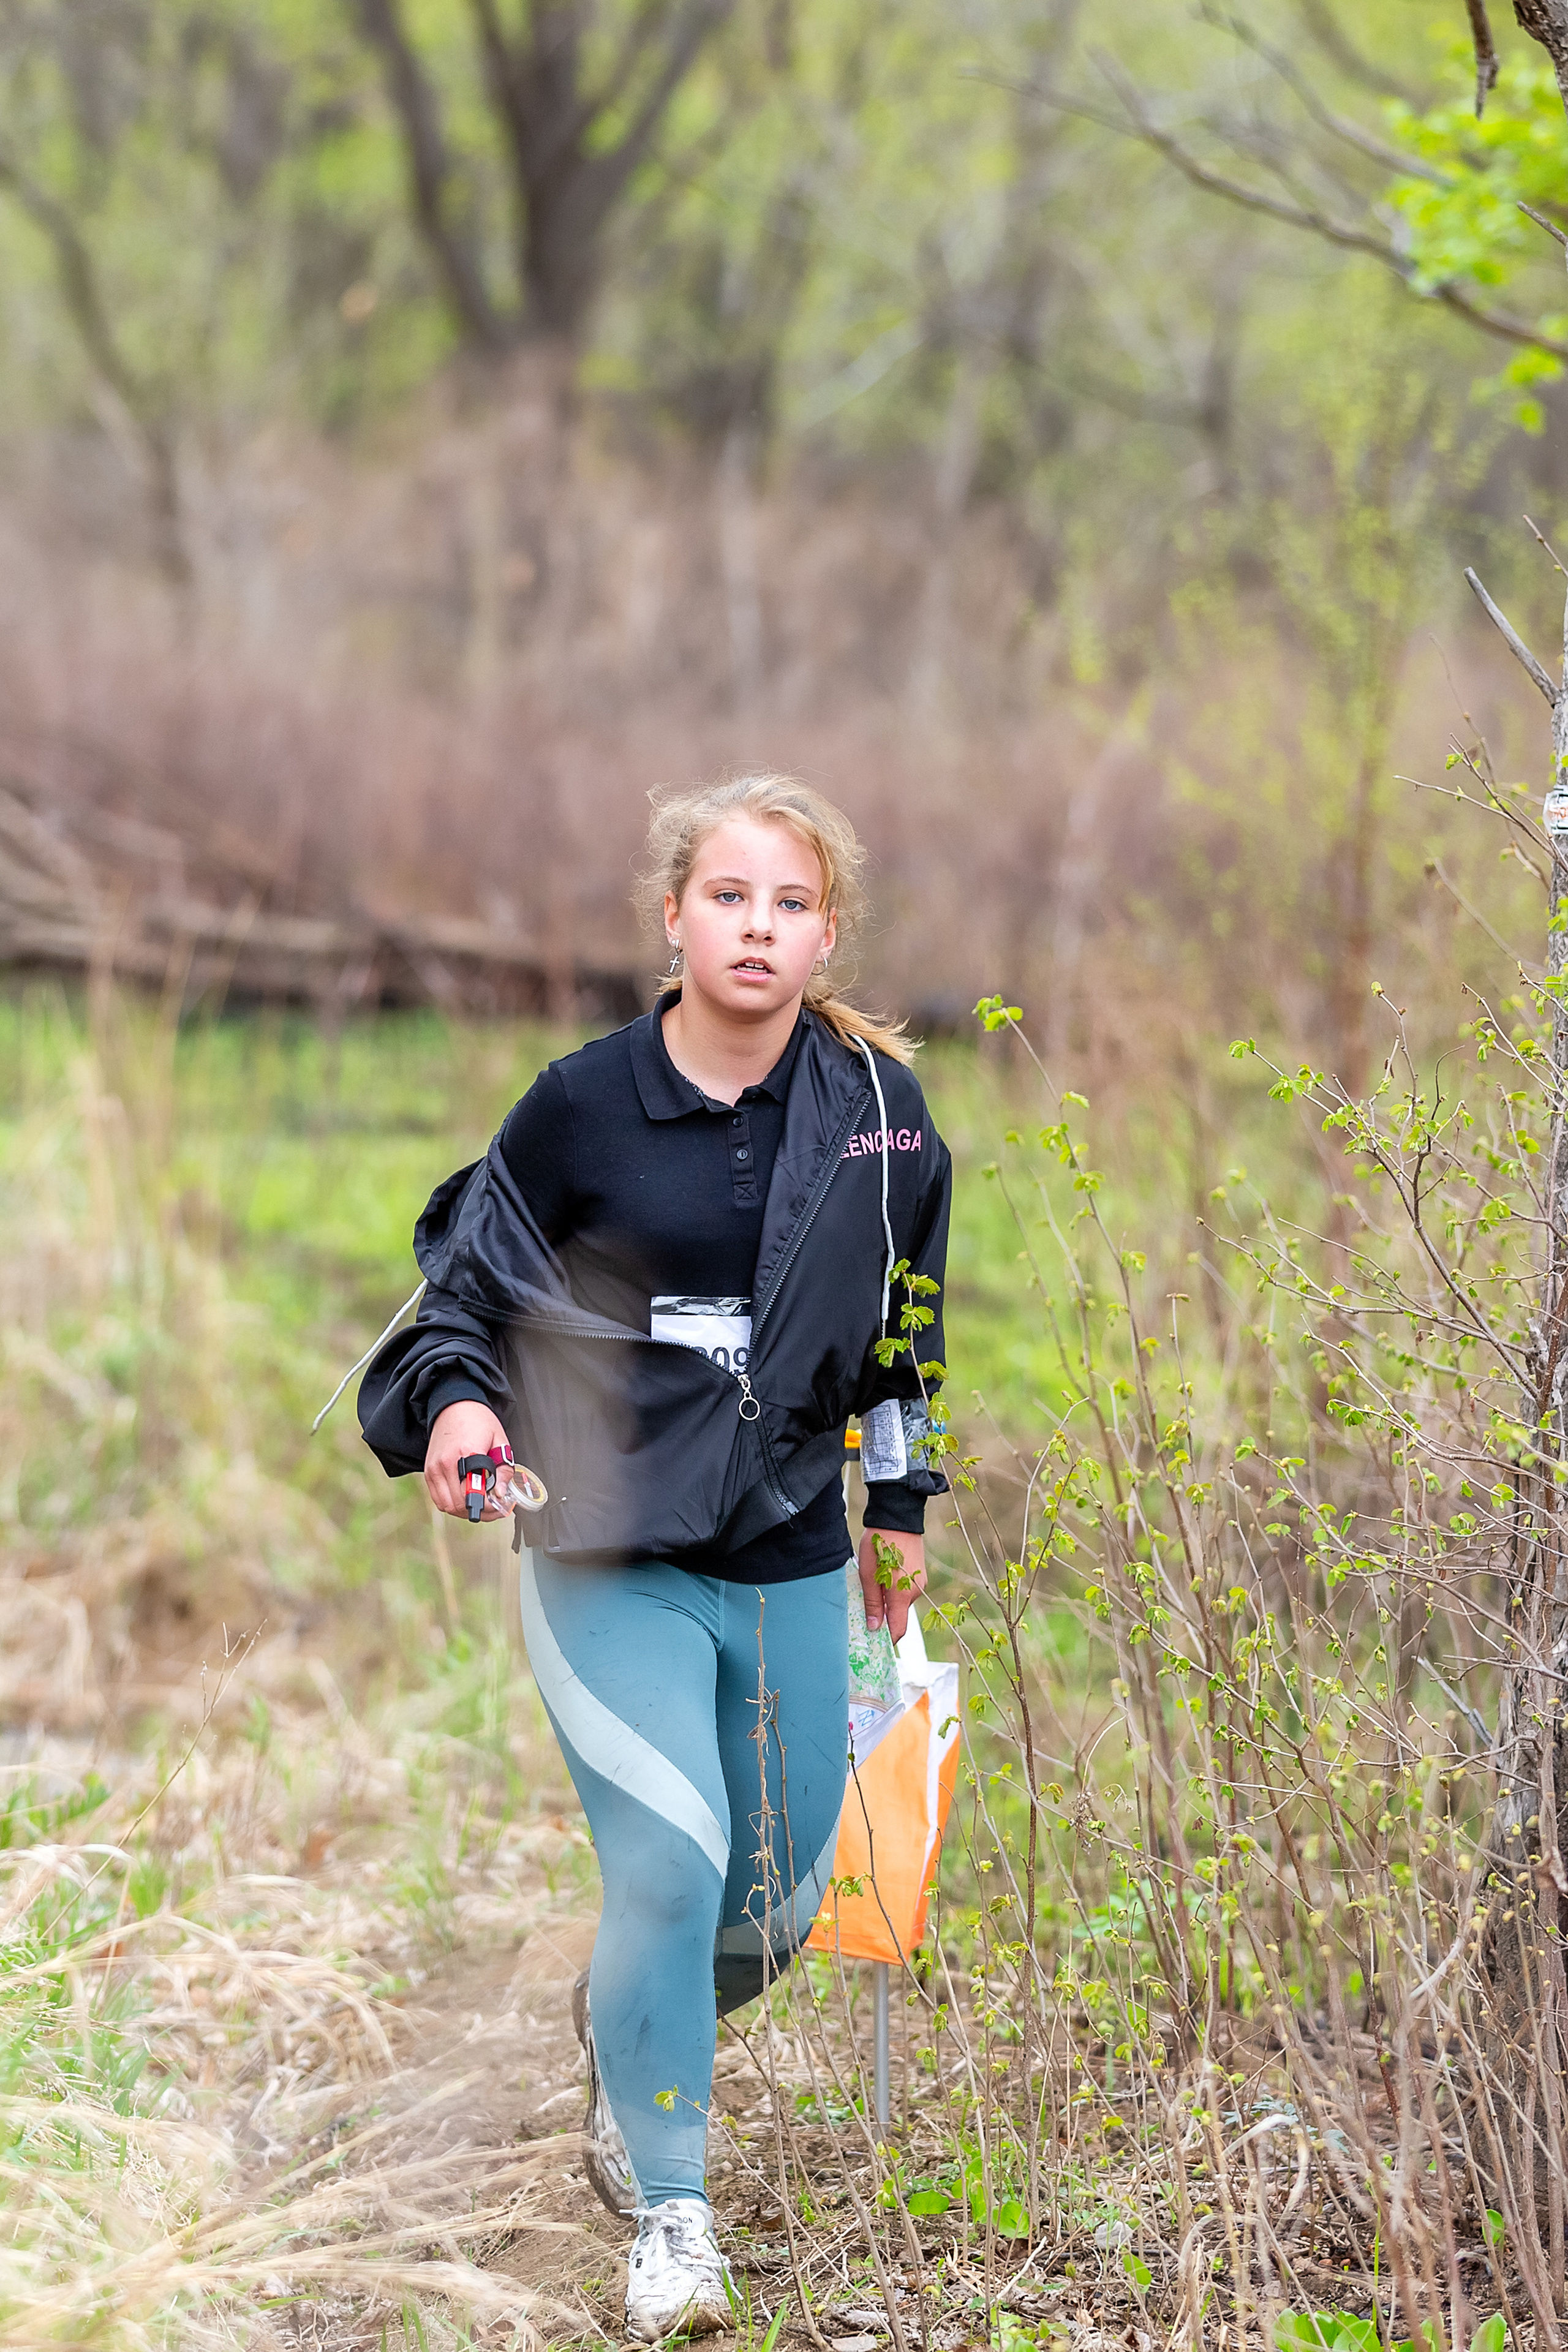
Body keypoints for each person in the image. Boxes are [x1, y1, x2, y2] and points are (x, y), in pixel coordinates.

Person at [359, 775, 951, 2342]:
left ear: (827, 932)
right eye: (729, 898)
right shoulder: (580, 1106)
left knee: (770, 1894)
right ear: (672, 916)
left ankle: (624, 2026)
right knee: (671, 1866)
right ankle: (670, 2219)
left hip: (786, 1549)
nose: (758, 929)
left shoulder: (883, 1123)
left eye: (791, 904)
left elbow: (905, 1332)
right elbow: (463, 1296)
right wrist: (459, 1414)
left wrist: (896, 1512)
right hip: (603, 1537)